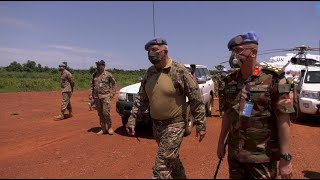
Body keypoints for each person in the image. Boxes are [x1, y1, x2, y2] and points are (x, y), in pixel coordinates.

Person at [216, 31, 294, 179]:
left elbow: (283, 119)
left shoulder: (274, 79)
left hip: (262, 157)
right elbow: (227, 114)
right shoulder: (230, 81)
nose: (233, 56)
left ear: (253, 52)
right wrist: (221, 142)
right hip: (236, 155)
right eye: (233, 51)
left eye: (238, 51)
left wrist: (285, 158)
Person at [125, 38, 206, 179]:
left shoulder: (179, 71)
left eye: (155, 50)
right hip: (156, 126)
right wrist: (132, 119)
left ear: (165, 51)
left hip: (174, 125)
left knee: (161, 168)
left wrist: (200, 124)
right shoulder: (149, 73)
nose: (151, 53)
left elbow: (196, 99)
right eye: (149, 51)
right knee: (171, 160)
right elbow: (141, 98)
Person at [89, 60, 116, 135]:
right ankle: (103, 128)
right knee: (100, 113)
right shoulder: (94, 74)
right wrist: (90, 94)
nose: (97, 67)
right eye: (97, 65)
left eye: (99, 65)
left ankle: (110, 127)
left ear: (103, 66)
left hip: (105, 96)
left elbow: (114, 84)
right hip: (96, 97)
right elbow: (91, 85)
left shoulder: (108, 74)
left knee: (106, 112)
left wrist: (112, 93)